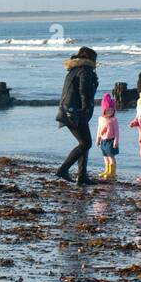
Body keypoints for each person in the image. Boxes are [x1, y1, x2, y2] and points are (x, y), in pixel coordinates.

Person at [55, 46, 98, 185]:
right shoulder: (85, 70)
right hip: (75, 112)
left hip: (68, 110)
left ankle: (82, 176)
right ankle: (63, 169)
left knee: (83, 144)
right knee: (86, 143)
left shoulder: (73, 70)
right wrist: (85, 107)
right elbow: (84, 90)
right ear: (90, 59)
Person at [95, 92, 120, 180]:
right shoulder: (101, 119)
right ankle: (107, 170)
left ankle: (112, 172)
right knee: (105, 156)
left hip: (111, 141)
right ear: (104, 110)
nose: (110, 112)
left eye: (112, 110)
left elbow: (117, 132)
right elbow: (99, 129)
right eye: (108, 110)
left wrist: (116, 142)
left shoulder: (113, 120)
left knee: (111, 156)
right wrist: (97, 139)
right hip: (103, 141)